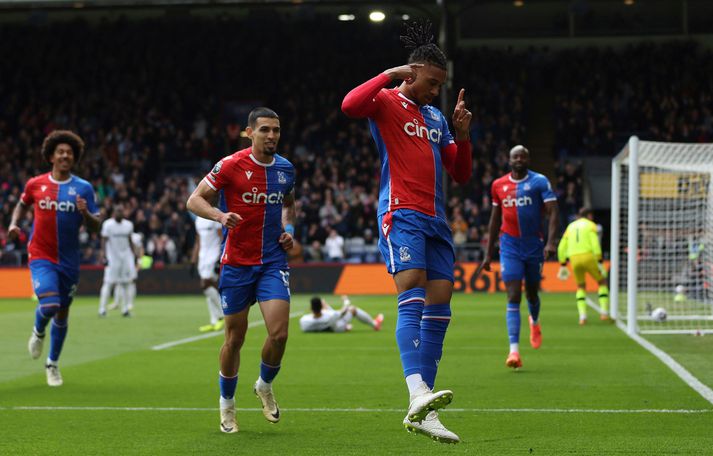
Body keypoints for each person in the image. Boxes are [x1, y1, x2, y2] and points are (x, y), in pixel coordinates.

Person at [342, 21, 472, 444]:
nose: (436, 91)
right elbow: (348, 104)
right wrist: (390, 74)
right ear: (413, 73)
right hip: (402, 213)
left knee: (441, 306)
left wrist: (464, 135)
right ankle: (416, 389)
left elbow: (461, 172)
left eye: (441, 84)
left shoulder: (436, 116)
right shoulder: (385, 102)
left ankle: (424, 409)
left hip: (436, 219)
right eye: (432, 83)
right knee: (411, 288)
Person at [186, 107, 296, 434]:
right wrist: (220, 216)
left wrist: (289, 229)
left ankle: (264, 384)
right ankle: (227, 406)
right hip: (236, 264)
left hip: (273, 261)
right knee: (235, 339)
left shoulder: (286, 169)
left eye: (276, 130)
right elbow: (195, 200)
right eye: (265, 130)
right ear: (250, 133)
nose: (272, 135)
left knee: (279, 333)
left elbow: (288, 203)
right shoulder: (231, 165)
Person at [7, 130, 100, 386]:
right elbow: (22, 203)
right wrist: (14, 224)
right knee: (50, 305)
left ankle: (52, 364)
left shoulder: (84, 188)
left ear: (75, 157)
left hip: (69, 260)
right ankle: (38, 332)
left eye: (69, 152)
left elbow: (96, 227)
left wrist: (86, 214)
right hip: (41, 255)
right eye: (60, 151)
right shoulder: (35, 184)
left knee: (62, 313)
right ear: (51, 156)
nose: (65, 155)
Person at [476, 145, 559, 370]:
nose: (519, 159)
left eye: (523, 155)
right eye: (515, 156)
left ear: (528, 159)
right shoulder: (498, 185)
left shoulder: (540, 182)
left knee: (532, 293)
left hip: (533, 245)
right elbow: (495, 219)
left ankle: (535, 321)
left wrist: (551, 242)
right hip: (509, 245)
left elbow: (553, 212)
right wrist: (488, 253)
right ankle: (514, 351)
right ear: (509, 160)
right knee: (513, 295)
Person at [557, 207, 610, 324]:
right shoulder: (591, 225)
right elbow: (595, 244)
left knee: (580, 286)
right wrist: (600, 261)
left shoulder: (570, 227)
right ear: (589, 216)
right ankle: (604, 313)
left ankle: (582, 317)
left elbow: (561, 247)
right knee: (602, 282)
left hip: (574, 258)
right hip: (588, 256)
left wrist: (563, 264)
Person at [98, 204, 139, 317]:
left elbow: (130, 241)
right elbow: (104, 241)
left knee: (126, 283)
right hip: (112, 258)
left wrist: (134, 255)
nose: (120, 213)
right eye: (118, 211)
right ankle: (102, 309)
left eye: (121, 211)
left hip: (126, 258)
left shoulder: (128, 225)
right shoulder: (108, 225)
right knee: (108, 283)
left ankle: (125, 309)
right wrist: (104, 255)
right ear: (114, 213)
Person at [192, 215, 225, 332]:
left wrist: (221, 257)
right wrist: (193, 260)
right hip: (203, 256)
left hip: (214, 254)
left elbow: (222, 237)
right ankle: (214, 320)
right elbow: (198, 241)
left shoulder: (215, 214)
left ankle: (222, 313)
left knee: (205, 284)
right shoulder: (198, 219)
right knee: (209, 287)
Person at [299, 295, 384, 333]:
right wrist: (346, 300)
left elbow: (323, 315)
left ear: (310, 308)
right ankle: (375, 324)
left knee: (325, 305)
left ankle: (347, 327)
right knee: (353, 309)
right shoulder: (330, 316)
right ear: (321, 308)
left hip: (328, 326)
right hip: (337, 327)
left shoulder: (304, 320)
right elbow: (343, 311)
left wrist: (324, 305)